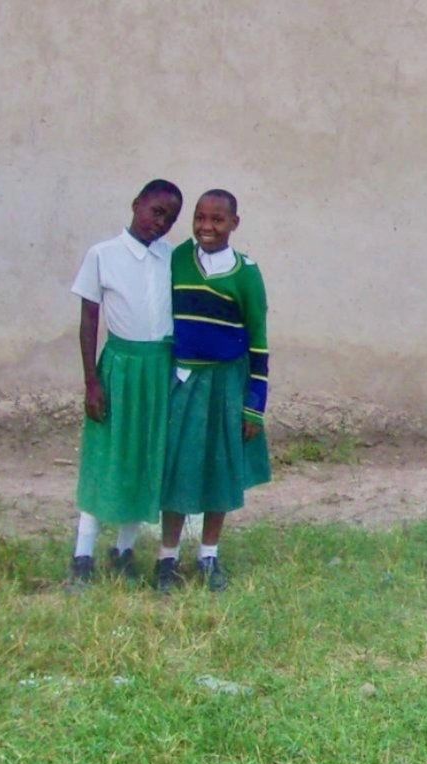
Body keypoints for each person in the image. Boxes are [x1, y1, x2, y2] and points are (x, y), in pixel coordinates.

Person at [69, 179, 183, 586]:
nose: (161, 222)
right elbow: (88, 321)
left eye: (170, 218)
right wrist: (91, 382)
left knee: (146, 455)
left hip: (158, 368)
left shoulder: (173, 258)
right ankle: (82, 555)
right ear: (136, 204)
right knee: (107, 455)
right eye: (156, 211)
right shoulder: (103, 255)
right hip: (119, 367)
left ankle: (124, 548)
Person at [157, 189, 271, 593]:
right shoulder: (174, 260)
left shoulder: (245, 274)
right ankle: (166, 559)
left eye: (217, 220)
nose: (207, 227)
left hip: (227, 383)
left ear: (234, 224)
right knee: (176, 467)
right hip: (183, 381)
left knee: (220, 468)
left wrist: (254, 404)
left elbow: (258, 340)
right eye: (200, 218)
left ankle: (209, 556)